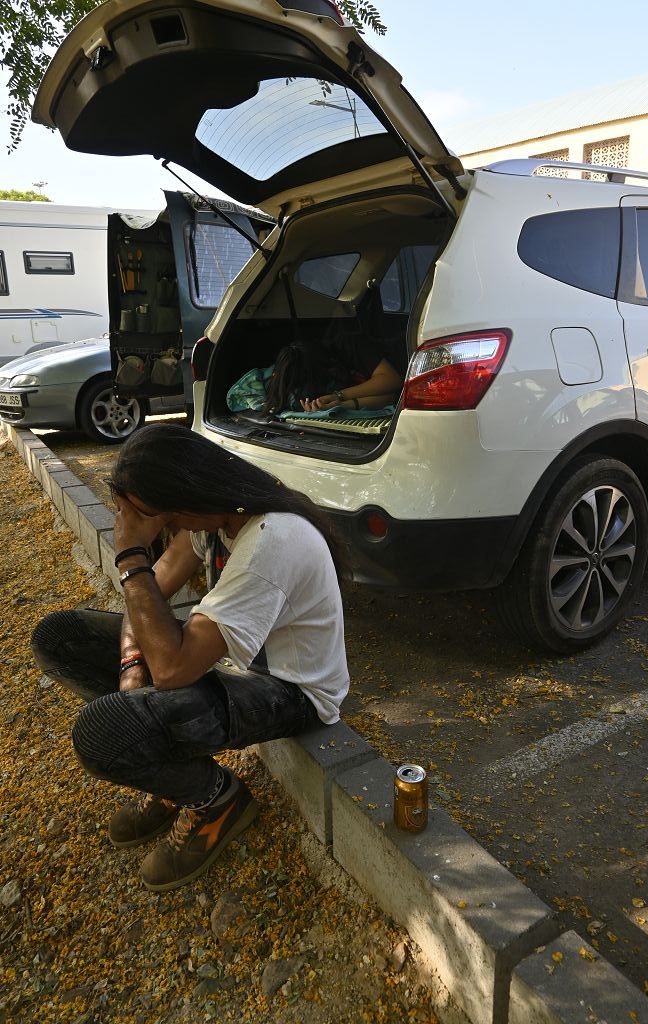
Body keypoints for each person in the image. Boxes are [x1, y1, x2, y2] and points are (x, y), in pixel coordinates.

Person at [31, 423, 349, 892]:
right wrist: (131, 669)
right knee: (59, 638)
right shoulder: (217, 519)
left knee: (99, 733)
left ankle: (215, 800)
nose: (161, 529)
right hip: (223, 665)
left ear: (186, 498)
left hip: (291, 691)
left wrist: (129, 554)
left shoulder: (271, 542)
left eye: (154, 516)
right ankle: (167, 764)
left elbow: (175, 667)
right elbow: (145, 603)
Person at [262, 337, 403, 415]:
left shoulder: (349, 347)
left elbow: (393, 383)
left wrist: (339, 396)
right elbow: (388, 399)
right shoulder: (285, 379)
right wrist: (341, 404)